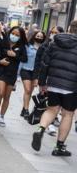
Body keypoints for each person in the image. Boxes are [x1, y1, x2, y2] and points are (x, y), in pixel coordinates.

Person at [32, 20, 77, 157]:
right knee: (67, 114)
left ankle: (40, 130)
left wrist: (42, 83)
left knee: (51, 110)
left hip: (53, 83)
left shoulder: (54, 43)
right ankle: (59, 147)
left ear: (69, 28)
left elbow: (45, 64)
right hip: (71, 86)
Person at [0, 26, 28, 127]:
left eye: (17, 35)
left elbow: (24, 59)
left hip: (12, 73)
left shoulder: (21, 47)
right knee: (0, 92)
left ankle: (2, 116)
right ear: (10, 33)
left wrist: (15, 55)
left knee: (7, 96)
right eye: (13, 33)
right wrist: (0, 60)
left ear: (20, 37)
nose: (14, 36)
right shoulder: (4, 42)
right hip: (1, 70)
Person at [20, 31, 46, 119]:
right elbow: (22, 60)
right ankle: (26, 110)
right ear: (34, 36)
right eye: (37, 35)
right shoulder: (27, 46)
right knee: (27, 90)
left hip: (36, 73)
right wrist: (17, 75)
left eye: (41, 36)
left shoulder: (43, 48)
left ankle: (24, 109)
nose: (39, 37)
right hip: (26, 70)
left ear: (43, 38)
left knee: (30, 91)